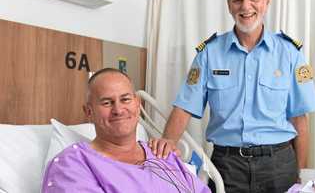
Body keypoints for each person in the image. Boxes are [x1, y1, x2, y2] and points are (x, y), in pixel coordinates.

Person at [149, 0, 315, 193]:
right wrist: (167, 143)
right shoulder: (209, 53)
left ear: (267, 0)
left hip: (279, 164)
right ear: (229, 5)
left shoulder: (290, 53)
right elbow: (184, 107)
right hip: (226, 167)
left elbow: (300, 120)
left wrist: (299, 174)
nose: (246, 6)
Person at [41, 68, 211, 193]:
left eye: (125, 99)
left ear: (138, 105)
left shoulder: (162, 155)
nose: (118, 109)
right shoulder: (73, 164)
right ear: (89, 112)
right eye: (107, 102)